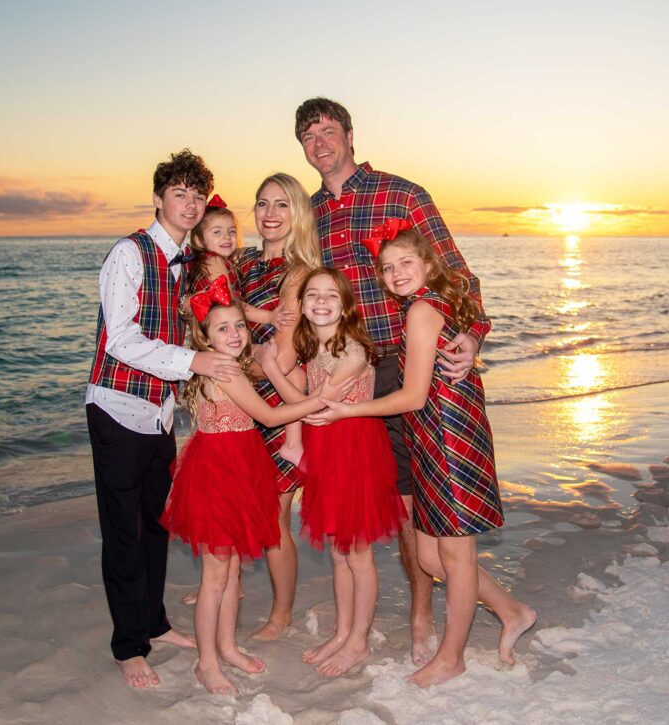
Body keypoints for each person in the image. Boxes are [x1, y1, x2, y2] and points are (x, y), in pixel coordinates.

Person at [294, 96, 491, 663]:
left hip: (407, 366)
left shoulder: (402, 195)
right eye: (309, 137)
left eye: (328, 131)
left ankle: (422, 613)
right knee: (366, 504)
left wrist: (473, 336)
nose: (320, 144)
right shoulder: (311, 213)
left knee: (416, 503)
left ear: (350, 135)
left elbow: (459, 276)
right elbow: (301, 292)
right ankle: (374, 619)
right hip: (347, 371)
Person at [312, 223, 536, 686]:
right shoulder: (428, 305)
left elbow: (412, 395)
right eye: (387, 268)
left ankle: (451, 658)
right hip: (433, 436)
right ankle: (512, 610)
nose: (395, 273)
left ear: (429, 265)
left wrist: (349, 411)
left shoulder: (421, 310)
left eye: (405, 263)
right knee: (434, 560)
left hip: (450, 438)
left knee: (453, 559)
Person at [84, 150, 241, 689]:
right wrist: (194, 362)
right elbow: (122, 340)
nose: (191, 203)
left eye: (198, 195)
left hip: (159, 414)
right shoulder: (129, 254)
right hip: (117, 406)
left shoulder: (187, 262)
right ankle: (128, 646)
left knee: (156, 524)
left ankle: (152, 623)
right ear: (158, 198)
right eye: (180, 193)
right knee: (123, 531)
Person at [162, 288, 354, 693]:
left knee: (232, 569)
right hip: (218, 474)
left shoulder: (235, 364)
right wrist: (318, 399)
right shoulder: (224, 371)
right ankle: (207, 662)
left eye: (238, 326)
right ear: (204, 337)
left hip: (239, 467)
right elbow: (267, 414)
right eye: (222, 328)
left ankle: (228, 646)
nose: (233, 334)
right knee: (215, 576)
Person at [259, 268, 406, 677]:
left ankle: (358, 641)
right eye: (313, 295)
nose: (321, 302)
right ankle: (342, 633)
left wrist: (272, 369)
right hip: (327, 451)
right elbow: (309, 401)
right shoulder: (315, 347)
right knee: (340, 554)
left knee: (358, 554)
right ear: (302, 304)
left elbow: (317, 407)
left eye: (331, 296)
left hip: (355, 453)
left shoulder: (354, 350)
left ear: (346, 307)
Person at [236, 173, 321, 641]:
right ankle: (228, 582)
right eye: (262, 203)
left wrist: (229, 375)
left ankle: (281, 614)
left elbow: (287, 352)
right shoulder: (243, 263)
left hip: (277, 399)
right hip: (238, 399)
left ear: (298, 214)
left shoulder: (300, 272)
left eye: (282, 205)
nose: (270, 214)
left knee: (273, 515)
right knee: (236, 499)